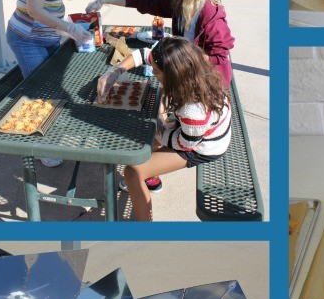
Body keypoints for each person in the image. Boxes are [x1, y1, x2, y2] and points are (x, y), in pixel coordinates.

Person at [97, 36, 231, 221]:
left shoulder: (193, 110)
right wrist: (116, 71)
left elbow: (184, 144)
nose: (152, 70)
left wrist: (160, 124)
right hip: (195, 133)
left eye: (157, 71)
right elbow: (146, 54)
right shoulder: (191, 73)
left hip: (203, 148)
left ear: (174, 76)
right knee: (147, 138)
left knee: (132, 171)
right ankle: (151, 177)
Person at [6, 0, 91, 167]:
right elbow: (34, 9)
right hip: (27, 38)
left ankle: (50, 127)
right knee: (38, 90)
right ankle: (40, 146)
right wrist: (70, 28)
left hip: (48, 36)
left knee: (52, 85)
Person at [86, 0, 234, 88]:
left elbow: (219, 58)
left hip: (206, 82)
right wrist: (105, 0)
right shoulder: (179, 1)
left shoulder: (212, 17)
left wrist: (182, 54)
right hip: (184, 68)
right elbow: (144, 1)